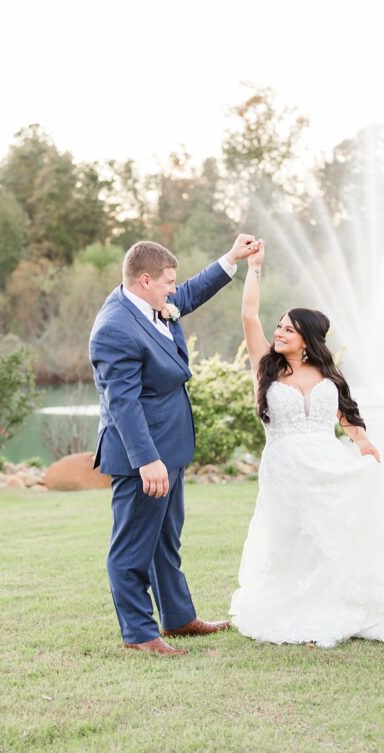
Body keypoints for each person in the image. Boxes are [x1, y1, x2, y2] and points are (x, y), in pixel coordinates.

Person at [228, 240, 384, 646]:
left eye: (288, 328)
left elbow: (348, 417)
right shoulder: (265, 367)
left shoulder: (329, 376)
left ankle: (340, 601)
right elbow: (249, 314)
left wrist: (365, 443)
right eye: (280, 326)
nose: (279, 332)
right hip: (284, 467)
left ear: (306, 339)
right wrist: (254, 268)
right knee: (291, 538)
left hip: (327, 463)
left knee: (334, 532)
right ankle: (295, 605)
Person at [90, 235, 260, 656]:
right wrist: (147, 460)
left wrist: (231, 258)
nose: (174, 289)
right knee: (133, 546)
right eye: (168, 281)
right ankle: (139, 633)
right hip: (142, 456)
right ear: (145, 280)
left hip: (172, 445)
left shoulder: (151, 302)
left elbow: (189, 294)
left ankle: (179, 618)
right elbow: (123, 403)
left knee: (166, 539)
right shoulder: (114, 328)